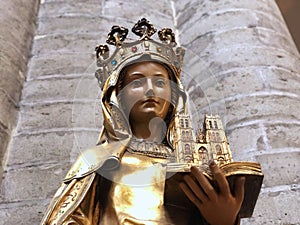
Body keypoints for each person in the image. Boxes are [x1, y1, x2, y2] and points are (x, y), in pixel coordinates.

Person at [40, 18, 244, 225]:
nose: (149, 89)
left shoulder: (192, 163)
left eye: (160, 82)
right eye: (137, 81)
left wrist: (224, 221)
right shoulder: (100, 159)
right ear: (116, 96)